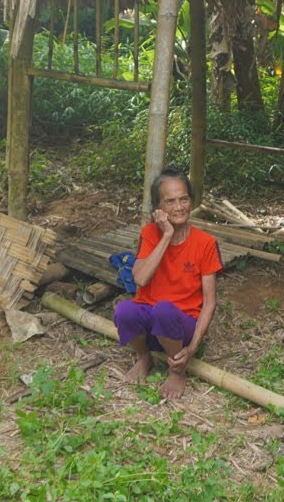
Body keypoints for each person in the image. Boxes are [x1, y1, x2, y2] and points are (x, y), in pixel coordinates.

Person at [113, 167, 222, 400]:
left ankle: (177, 368)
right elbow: (140, 278)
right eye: (170, 201)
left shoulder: (206, 243)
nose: (179, 207)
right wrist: (166, 235)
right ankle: (144, 357)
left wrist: (192, 347)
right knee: (124, 310)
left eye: (184, 199)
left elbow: (210, 303)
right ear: (158, 208)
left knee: (164, 309)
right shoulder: (151, 233)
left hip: (181, 329)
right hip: (151, 328)